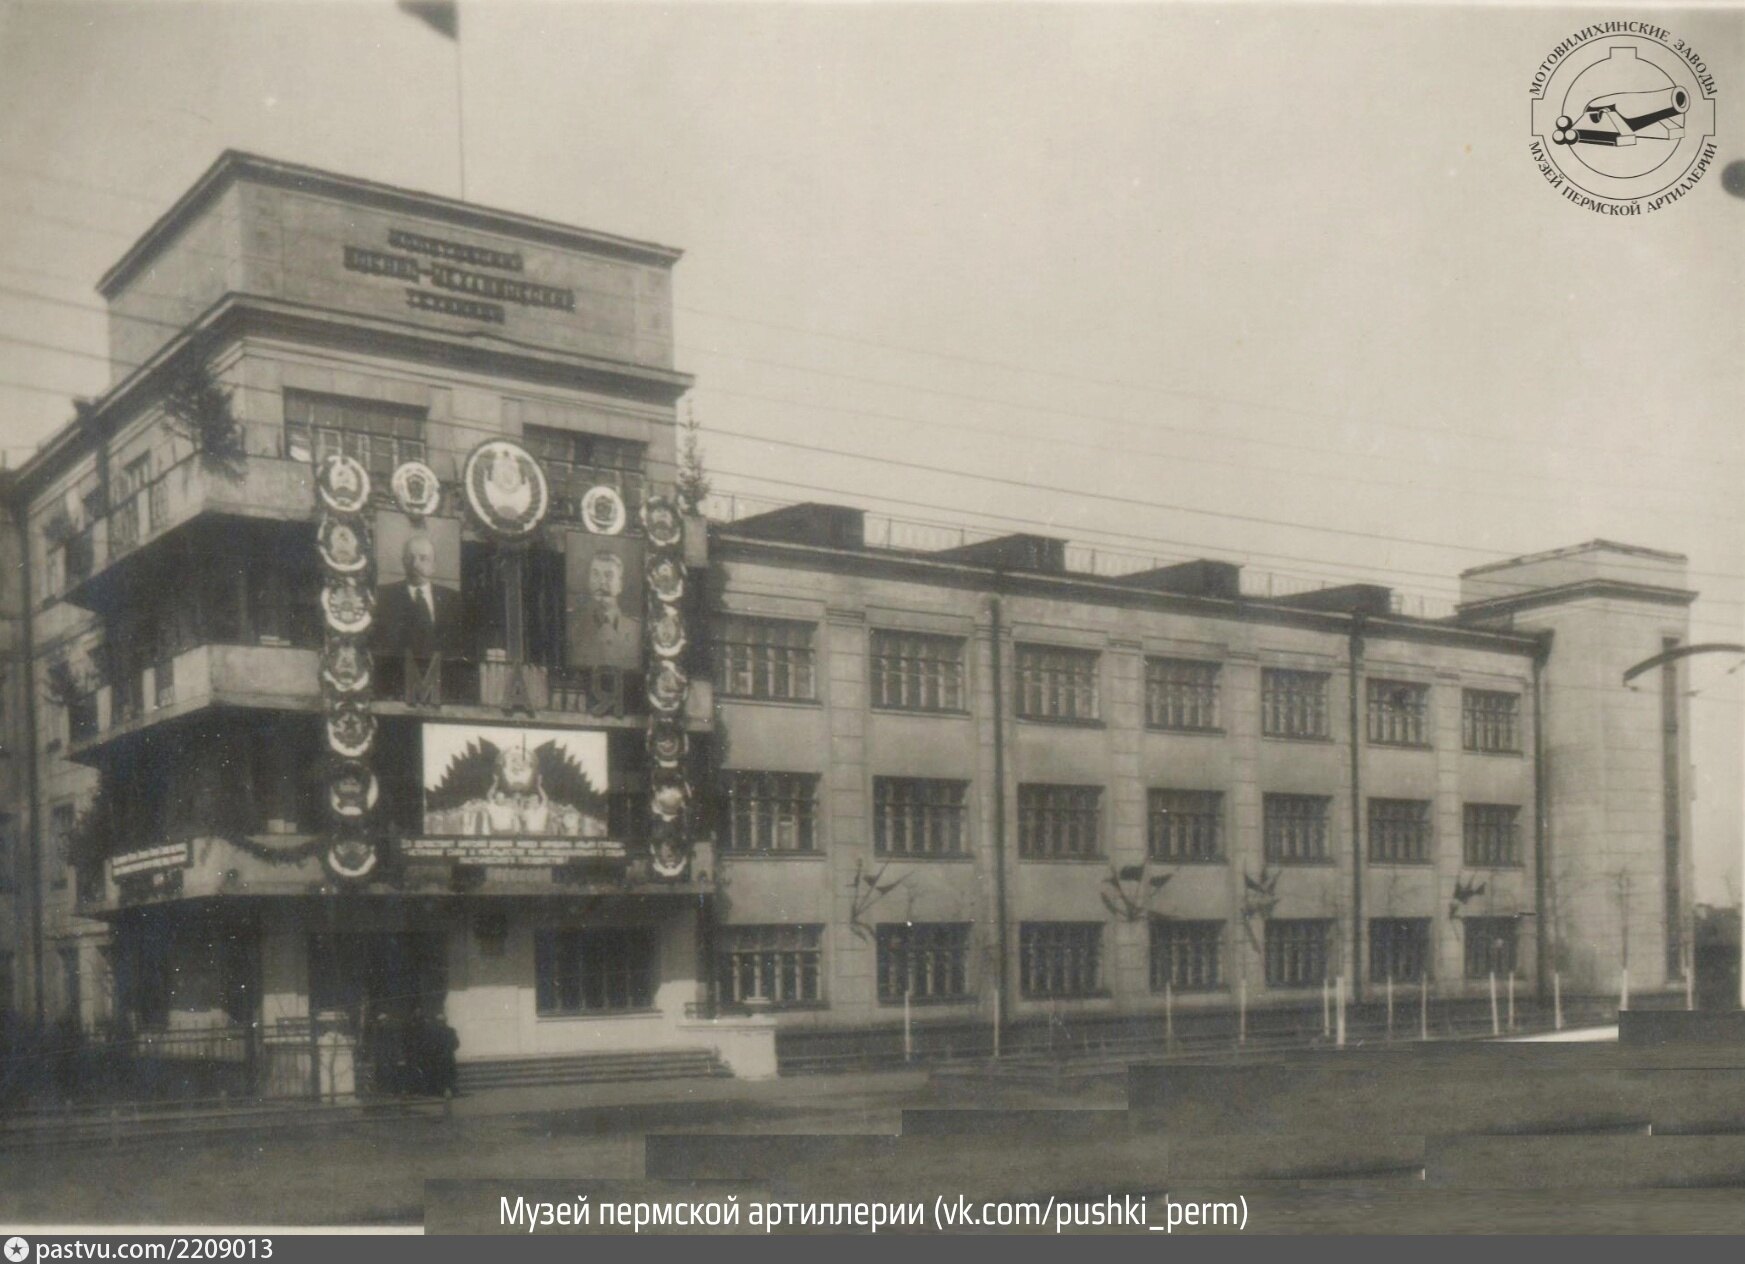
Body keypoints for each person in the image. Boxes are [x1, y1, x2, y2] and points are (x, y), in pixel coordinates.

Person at [373, 534, 464, 660]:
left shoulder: (453, 599)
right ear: (403, 562)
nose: (415, 564)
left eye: (423, 558)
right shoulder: (383, 595)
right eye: (410, 558)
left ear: (434, 565)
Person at [570, 549, 639, 668]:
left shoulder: (637, 630)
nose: (601, 582)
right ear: (588, 580)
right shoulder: (572, 626)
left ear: (620, 585)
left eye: (609, 575)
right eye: (595, 574)